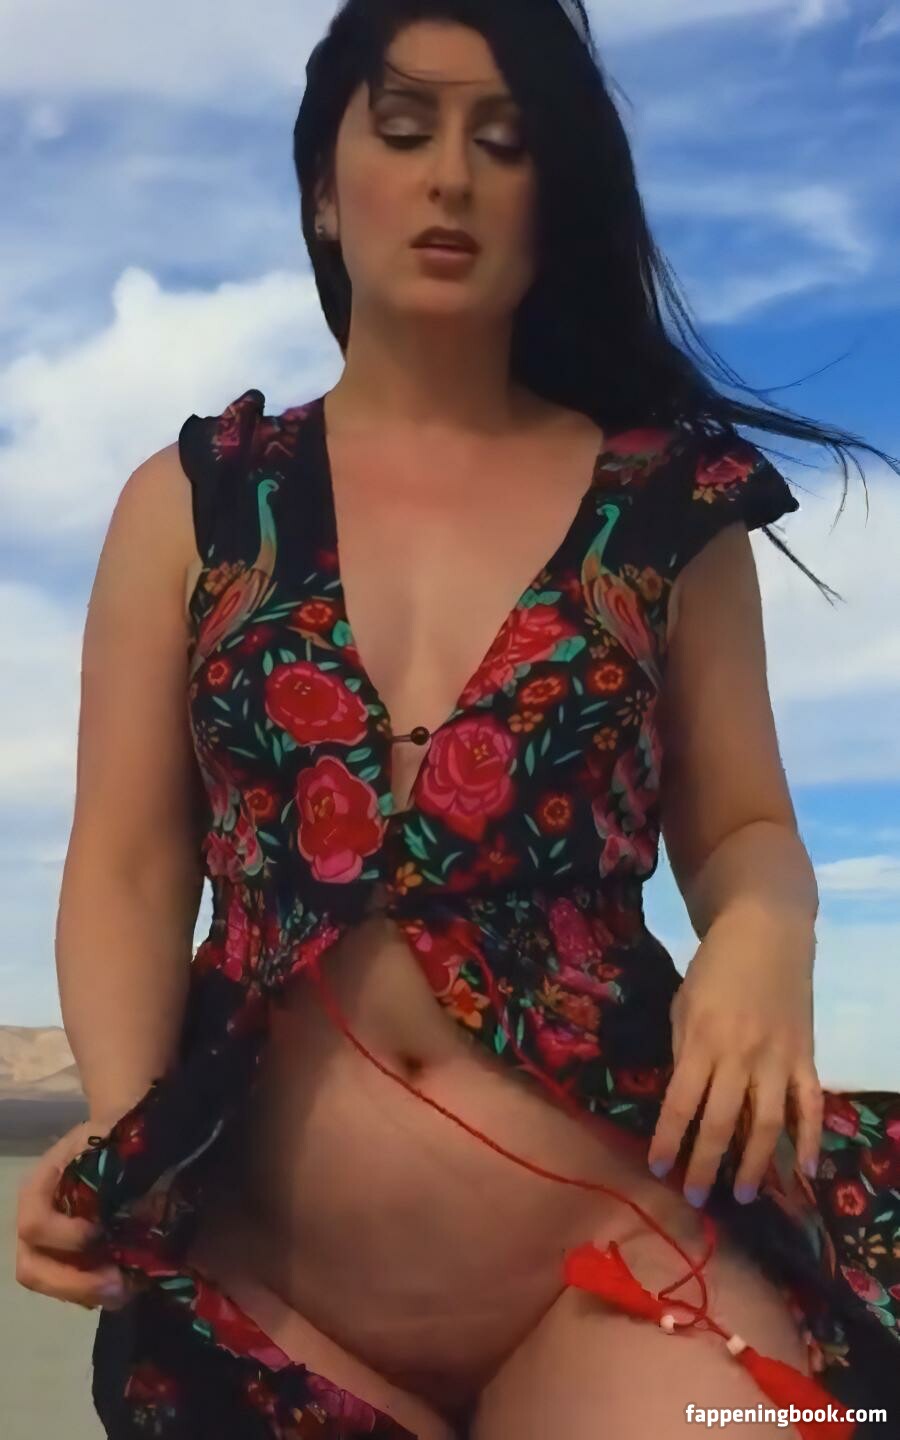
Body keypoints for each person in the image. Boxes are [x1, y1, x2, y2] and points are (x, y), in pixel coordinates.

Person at [14, 2, 900, 1437]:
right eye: (405, 127)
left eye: (506, 142)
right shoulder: (193, 503)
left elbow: (746, 831)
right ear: (324, 188)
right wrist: (124, 1131)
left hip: (617, 1265)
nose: (450, 177)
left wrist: (764, 936)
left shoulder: (665, 509)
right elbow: (126, 862)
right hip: (259, 1286)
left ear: (556, 201)